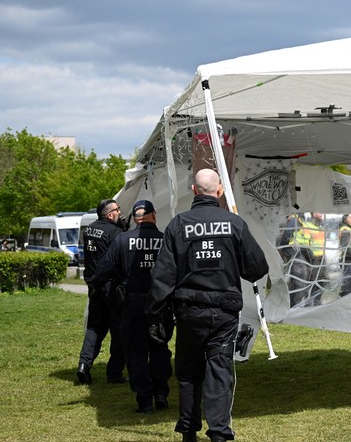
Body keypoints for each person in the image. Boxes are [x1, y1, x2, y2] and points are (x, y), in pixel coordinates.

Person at [146, 169, 269, 442]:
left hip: (189, 312)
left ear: (193, 190)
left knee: (189, 372)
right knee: (219, 370)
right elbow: (257, 267)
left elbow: (162, 275)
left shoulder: (178, 225)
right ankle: (219, 432)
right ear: (220, 190)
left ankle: (189, 429)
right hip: (223, 313)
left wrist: (155, 316)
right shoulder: (233, 224)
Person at [91, 200, 172, 413]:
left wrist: (103, 291)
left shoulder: (121, 240)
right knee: (159, 348)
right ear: (154, 215)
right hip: (160, 303)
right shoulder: (166, 240)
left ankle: (144, 400)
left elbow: (102, 271)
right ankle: (161, 393)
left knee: (136, 352)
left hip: (132, 304)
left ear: (135, 219)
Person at [76, 198, 127, 385]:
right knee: (118, 331)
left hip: (94, 287)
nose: (120, 213)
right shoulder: (115, 232)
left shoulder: (89, 230)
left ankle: (84, 365)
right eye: (118, 210)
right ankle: (114, 372)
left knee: (94, 329)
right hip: (111, 288)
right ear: (110, 214)